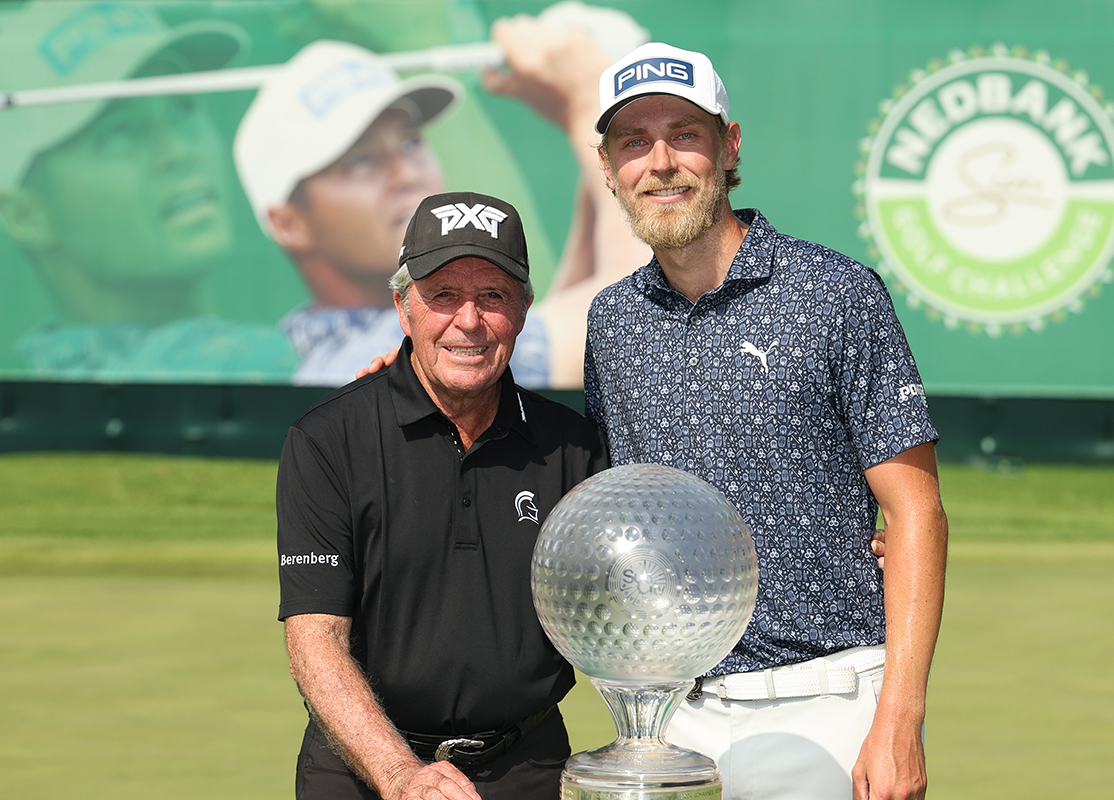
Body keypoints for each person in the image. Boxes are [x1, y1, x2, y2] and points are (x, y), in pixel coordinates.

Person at [583, 43, 949, 800]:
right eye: (633, 142)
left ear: (730, 145)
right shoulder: (613, 321)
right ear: (608, 165)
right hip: (671, 717)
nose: (660, 162)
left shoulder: (836, 293)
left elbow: (915, 509)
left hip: (828, 698)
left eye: (684, 134)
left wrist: (900, 720)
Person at [276, 190, 608, 800]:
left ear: (524, 311)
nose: (470, 321)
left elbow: (618, 620)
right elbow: (315, 640)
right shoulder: (328, 439)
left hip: (526, 767)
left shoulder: (575, 448)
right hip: (362, 769)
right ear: (404, 309)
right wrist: (402, 775)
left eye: (493, 296)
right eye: (443, 296)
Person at [234, 4, 650, 388]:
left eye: (411, 142)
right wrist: (593, 107)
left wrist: (591, 129)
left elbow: (570, 313)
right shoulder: (370, 361)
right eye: (361, 161)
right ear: (288, 222)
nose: (405, 173)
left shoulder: (377, 338)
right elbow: (633, 323)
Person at [0, 0, 296, 381]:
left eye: (183, 107)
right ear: (26, 215)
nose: (178, 151)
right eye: (118, 133)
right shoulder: (281, 370)